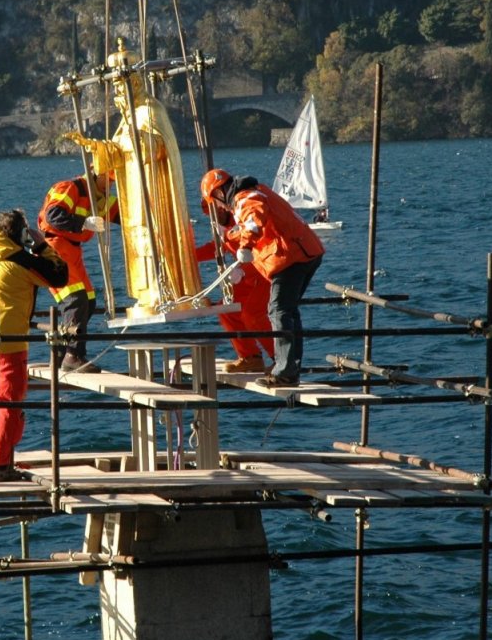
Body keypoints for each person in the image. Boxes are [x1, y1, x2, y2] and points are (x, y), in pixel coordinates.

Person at [65, 40, 201, 317]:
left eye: (120, 87)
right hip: (133, 191)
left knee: (156, 239)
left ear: (134, 84)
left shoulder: (150, 111)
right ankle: (148, 292)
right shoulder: (127, 119)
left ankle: (167, 290)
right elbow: (116, 153)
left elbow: (157, 148)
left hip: (154, 188)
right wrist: (93, 146)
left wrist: (137, 138)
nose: (117, 93)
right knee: (139, 240)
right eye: (115, 89)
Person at [0, 209, 68, 481]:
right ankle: (0, 465)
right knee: (9, 403)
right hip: (9, 343)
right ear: (21, 234)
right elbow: (59, 276)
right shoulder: (21, 260)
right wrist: (42, 245)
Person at [201, 169, 325, 386]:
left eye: (215, 202)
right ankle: (289, 368)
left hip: (290, 257)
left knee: (278, 310)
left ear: (219, 193)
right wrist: (233, 236)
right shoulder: (258, 191)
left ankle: (285, 371)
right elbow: (257, 222)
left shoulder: (245, 198)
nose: (218, 207)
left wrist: (246, 245)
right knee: (288, 311)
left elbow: (253, 219)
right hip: (306, 252)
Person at [36, 170, 119, 371]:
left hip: (71, 250)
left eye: (113, 182)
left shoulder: (99, 196)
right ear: (96, 174)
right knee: (75, 299)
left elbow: (121, 214)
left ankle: (61, 352)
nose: (110, 185)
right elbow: (53, 215)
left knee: (88, 302)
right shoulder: (69, 187)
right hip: (55, 247)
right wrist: (84, 223)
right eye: (108, 180)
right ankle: (73, 356)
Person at [195, 232, 275, 374]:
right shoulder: (224, 226)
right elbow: (217, 247)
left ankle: (280, 360)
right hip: (249, 276)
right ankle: (250, 357)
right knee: (226, 309)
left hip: (264, 272)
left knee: (253, 315)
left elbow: (262, 245)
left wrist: (243, 270)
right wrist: (187, 257)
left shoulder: (240, 219)